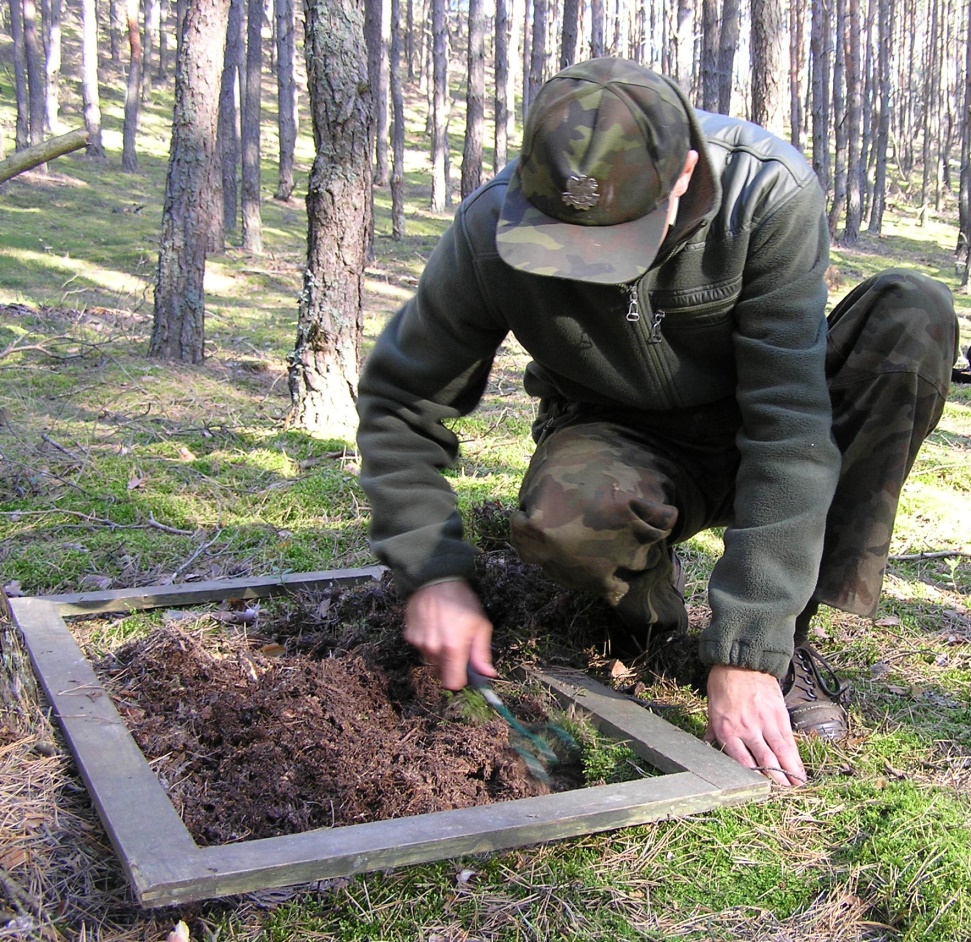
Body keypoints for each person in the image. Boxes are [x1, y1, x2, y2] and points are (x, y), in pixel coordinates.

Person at [356, 57, 959, 787]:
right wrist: (431, 573)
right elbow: (402, 398)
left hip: (761, 421)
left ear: (683, 174)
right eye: (567, 241)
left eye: (616, 240)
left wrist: (747, 651)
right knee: (567, 515)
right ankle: (643, 622)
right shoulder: (491, 231)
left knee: (911, 314)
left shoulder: (764, 193)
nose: (593, 266)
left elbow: (789, 427)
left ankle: (783, 642)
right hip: (619, 435)